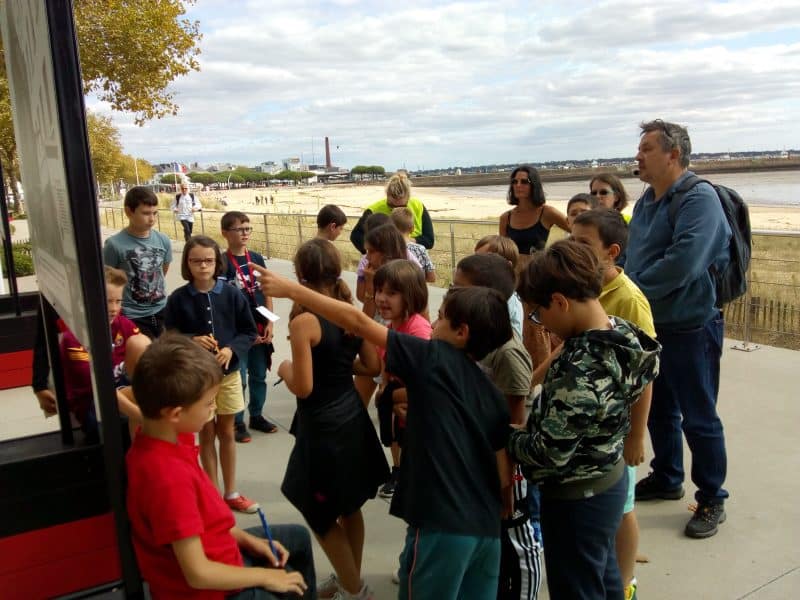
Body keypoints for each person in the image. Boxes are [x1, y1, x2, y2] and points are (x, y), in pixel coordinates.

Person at [252, 260, 513, 600]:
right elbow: (503, 474)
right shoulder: (492, 393)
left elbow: (357, 321)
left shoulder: (432, 357)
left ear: (461, 332)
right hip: (487, 531)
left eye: (442, 317)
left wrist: (292, 290)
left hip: (442, 524)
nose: (433, 322)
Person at [507, 240, 660, 599]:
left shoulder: (580, 373)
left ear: (560, 301)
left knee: (577, 587)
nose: (539, 323)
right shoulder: (620, 332)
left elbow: (549, 454)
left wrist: (508, 435)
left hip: (577, 498)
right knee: (603, 578)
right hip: (609, 478)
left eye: (538, 313)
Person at [125, 334, 314, 599]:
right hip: (210, 591)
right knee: (288, 585)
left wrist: (249, 541)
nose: (213, 409)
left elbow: (208, 522)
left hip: (220, 547)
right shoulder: (167, 478)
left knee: (298, 539)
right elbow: (198, 573)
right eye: (208, 404)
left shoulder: (166, 433)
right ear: (176, 413)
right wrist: (266, 576)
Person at [623, 119, 731, 539]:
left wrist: (630, 288)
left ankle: (711, 498)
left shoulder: (699, 199)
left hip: (690, 326)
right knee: (659, 410)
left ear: (673, 154)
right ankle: (667, 477)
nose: (638, 155)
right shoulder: (648, 200)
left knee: (699, 417)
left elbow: (685, 262)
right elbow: (637, 254)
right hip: (653, 326)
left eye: (646, 148)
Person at [273, 239, 388, 600]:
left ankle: (354, 590)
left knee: (319, 513)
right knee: (349, 506)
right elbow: (372, 366)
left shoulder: (305, 320)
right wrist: (340, 367)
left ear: (300, 275)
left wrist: (286, 368)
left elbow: (303, 387)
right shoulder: (350, 313)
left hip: (322, 427)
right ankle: (347, 578)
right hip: (351, 415)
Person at [571, 208, 656, 600]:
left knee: (623, 507)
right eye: (572, 240)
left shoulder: (629, 300)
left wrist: (637, 435)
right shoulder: (581, 287)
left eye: (584, 244)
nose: (575, 249)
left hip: (616, 425)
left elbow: (644, 373)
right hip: (590, 423)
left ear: (612, 251)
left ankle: (625, 583)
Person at [452, 254, 542, 600]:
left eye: (460, 289)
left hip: (505, 466)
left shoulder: (506, 352)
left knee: (514, 538)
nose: (451, 295)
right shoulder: (473, 342)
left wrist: (506, 483)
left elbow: (513, 423)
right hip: (478, 457)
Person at [164, 236, 260, 514]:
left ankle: (231, 492)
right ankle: (212, 495)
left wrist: (232, 350)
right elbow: (169, 336)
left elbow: (248, 331)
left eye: (208, 260)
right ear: (187, 264)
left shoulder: (232, 294)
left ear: (216, 262)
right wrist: (191, 341)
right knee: (205, 434)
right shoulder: (178, 298)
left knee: (227, 431)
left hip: (228, 376)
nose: (203, 266)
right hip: (197, 380)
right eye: (196, 261)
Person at [58, 266, 150, 442]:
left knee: (142, 342)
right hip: (93, 404)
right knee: (148, 405)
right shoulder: (74, 337)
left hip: (120, 388)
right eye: (107, 301)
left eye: (118, 301)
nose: (114, 308)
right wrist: (141, 415)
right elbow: (100, 388)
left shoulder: (123, 325)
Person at [500, 166, 570, 373]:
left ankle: (538, 375)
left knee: (537, 326)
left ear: (534, 185)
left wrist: (559, 257)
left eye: (524, 181)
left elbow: (577, 229)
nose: (518, 185)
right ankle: (517, 371)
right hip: (513, 277)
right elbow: (503, 251)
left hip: (537, 277)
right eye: (515, 181)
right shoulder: (506, 217)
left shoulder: (546, 212)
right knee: (515, 323)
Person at [372, 260, 432, 501]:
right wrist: (385, 387)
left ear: (411, 295)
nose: (382, 298)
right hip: (400, 410)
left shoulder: (418, 330)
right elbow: (385, 365)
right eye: (379, 291)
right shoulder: (390, 327)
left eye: (392, 293)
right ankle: (399, 472)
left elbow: (426, 382)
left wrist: (391, 397)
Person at [220, 211, 278, 443]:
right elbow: (222, 302)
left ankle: (257, 415)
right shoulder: (222, 262)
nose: (245, 233)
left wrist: (271, 323)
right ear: (225, 233)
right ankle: (237, 421)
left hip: (261, 326)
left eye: (248, 229)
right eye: (239, 229)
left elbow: (267, 290)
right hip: (239, 332)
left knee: (258, 374)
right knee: (238, 377)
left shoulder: (256, 258)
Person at [103, 186, 172, 339]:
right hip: (133, 315)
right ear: (129, 212)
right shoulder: (114, 245)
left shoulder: (163, 241)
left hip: (162, 310)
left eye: (155, 213)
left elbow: (163, 269)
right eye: (146, 213)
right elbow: (108, 280)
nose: (152, 218)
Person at [350, 172, 434, 253]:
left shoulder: (418, 206)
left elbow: (429, 240)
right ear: (387, 194)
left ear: (408, 197)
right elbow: (356, 236)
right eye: (391, 205)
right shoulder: (373, 210)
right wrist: (376, 250)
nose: (395, 210)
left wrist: (406, 241)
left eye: (402, 206)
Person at [474, 234, 523, 337]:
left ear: (507, 267)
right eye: (475, 259)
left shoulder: (508, 301)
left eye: (484, 262)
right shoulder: (485, 291)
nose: (475, 266)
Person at [390, 207, 436, 282]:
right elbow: (431, 277)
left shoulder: (386, 249)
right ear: (412, 228)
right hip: (416, 291)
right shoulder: (420, 249)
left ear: (390, 228)